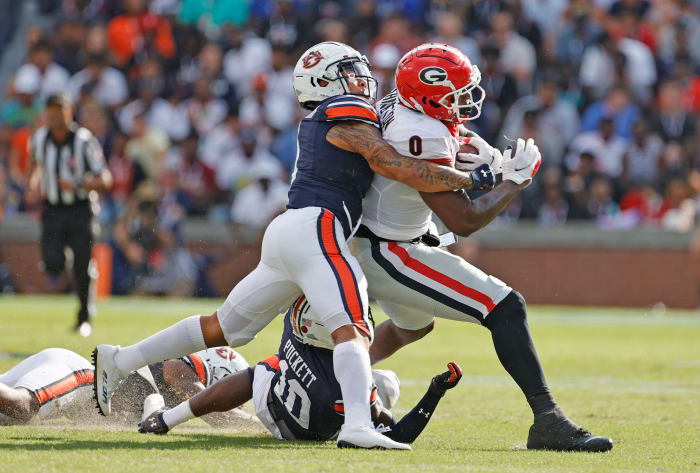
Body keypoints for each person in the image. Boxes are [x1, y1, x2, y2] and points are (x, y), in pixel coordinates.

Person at [93, 42, 494, 451]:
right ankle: (357, 425)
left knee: (222, 328)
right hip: (318, 227)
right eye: (351, 72)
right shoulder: (344, 110)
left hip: (290, 229)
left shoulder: (325, 117)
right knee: (352, 329)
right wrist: (465, 180)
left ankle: (120, 359)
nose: (362, 80)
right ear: (326, 82)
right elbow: (388, 161)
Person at [352, 43, 612, 452]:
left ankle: (333, 376)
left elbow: (448, 131)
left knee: (413, 327)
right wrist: (514, 180)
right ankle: (547, 419)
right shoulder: (418, 132)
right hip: (389, 249)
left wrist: (476, 152)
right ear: (426, 98)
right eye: (453, 95)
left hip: (385, 235)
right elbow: (464, 220)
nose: (463, 102)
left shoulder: (403, 106)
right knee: (506, 306)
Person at [139, 296, 463, 444]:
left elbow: (253, 379)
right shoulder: (345, 380)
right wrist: (434, 392)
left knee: (263, 371)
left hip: (278, 401)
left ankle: (167, 417)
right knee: (386, 383)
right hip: (317, 424)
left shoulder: (303, 324)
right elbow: (400, 432)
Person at [26, 93, 113, 337]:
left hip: (80, 209)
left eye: (59, 112)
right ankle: (64, 263)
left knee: (83, 265)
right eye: (50, 112)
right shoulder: (40, 138)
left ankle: (84, 317)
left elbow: (106, 179)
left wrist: (78, 185)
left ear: (69, 112)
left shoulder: (84, 141)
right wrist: (32, 185)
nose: (54, 118)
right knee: (52, 263)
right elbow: (34, 164)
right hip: (52, 208)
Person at [0, 346, 250, 426]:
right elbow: (216, 412)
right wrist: (265, 425)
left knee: (7, 415)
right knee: (22, 406)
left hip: (70, 380)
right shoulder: (179, 370)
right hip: (80, 379)